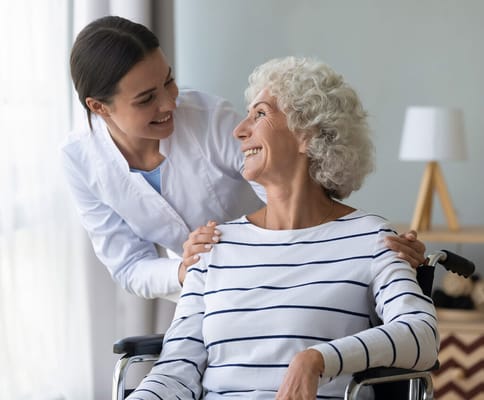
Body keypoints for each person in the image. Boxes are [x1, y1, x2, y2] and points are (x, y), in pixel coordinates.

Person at [124, 57, 439, 400]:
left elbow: (420, 335)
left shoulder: (370, 239)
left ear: (308, 134)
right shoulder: (215, 247)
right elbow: (175, 372)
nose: (240, 130)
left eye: (260, 114)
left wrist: (317, 359)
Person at [62, 15, 426, 300]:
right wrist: (186, 270)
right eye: (146, 99)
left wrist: (371, 249)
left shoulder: (207, 119)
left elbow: (290, 196)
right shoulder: (80, 161)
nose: (171, 103)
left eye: (169, 82)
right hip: (209, 297)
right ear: (99, 107)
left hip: (288, 270)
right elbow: (128, 266)